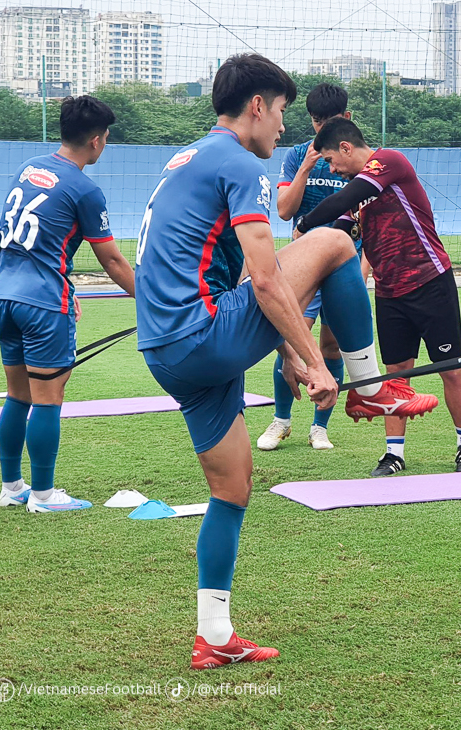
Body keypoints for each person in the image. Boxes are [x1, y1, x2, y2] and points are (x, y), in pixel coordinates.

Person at [135, 53, 434, 670]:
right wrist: (314, 363)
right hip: (203, 336)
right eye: (280, 112)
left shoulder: (186, 158)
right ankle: (366, 385)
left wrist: (291, 353)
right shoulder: (240, 162)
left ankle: (213, 637)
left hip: (167, 352)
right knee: (333, 241)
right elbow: (268, 282)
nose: (282, 128)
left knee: (233, 489)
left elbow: (244, 279)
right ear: (256, 106)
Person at [297, 117, 461, 476]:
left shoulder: (388, 162)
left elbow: (344, 199)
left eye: (332, 160)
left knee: (451, 369)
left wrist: (303, 226)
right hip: (389, 292)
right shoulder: (356, 189)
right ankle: (394, 454)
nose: (333, 168)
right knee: (396, 376)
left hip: (430, 281)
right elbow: (341, 232)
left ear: (347, 148)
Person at [0, 96, 137, 513]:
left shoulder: (29, 167)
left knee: (17, 395)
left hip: (3, 295)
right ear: (97, 140)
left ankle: (11, 487)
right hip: (43, 303)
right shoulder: (85, 188)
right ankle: (44, 495)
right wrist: (150, 300)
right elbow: (111, 259)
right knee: (48, 399)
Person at [257, 83, 357, 453]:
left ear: (346, 119)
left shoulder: (355, 157)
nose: (321, 129)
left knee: (331, 346)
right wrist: (306, 167)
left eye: (328, 122)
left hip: (344, 267)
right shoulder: (297, 154)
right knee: (291, 339)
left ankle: (319, 427)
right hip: (303, 268)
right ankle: (281, 421)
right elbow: (284, 210)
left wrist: (362, 266)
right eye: (316, 122)